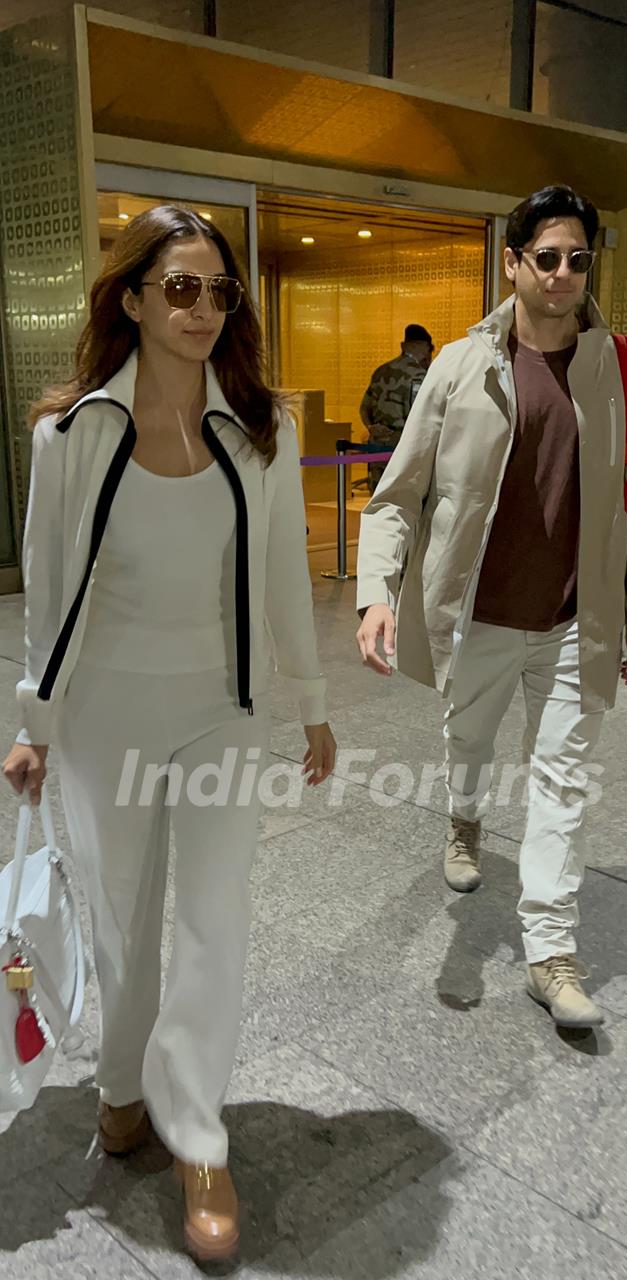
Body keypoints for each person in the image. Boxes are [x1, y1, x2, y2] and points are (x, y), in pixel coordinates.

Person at [2, 205, 336, 1262]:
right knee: (119, 912)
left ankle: (197, 1129)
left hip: (220, 710)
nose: (201, 308)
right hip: (107, 709)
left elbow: (285, 572)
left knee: (214, 914)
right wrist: (35, 723)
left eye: (218, 290)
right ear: (133, 296)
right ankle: (120, 1083)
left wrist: (312, 701)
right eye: (180, 287)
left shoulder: (260, 428)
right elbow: (49, 590)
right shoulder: (70, 433)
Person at [355, 185, 627, 1031]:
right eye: (547, 258)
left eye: (578, 259)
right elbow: (397, 497)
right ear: (513, 262)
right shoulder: (461, 368)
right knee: (469, 742)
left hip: (577, 622)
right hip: (480, 617)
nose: (564, 274)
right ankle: (464, 820)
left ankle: (551, 953)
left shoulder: (624, 369)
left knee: (563, 783)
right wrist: (376, 595)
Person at [359, 324, 434, 491]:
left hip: (377, 446)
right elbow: (420, 415)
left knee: (377, 498)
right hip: (402, 448)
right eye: (429, 348)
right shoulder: (419, 375)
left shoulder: (381, 371)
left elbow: (364, 408)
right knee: (401, 500)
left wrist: (372, 428)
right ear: (420, 346)